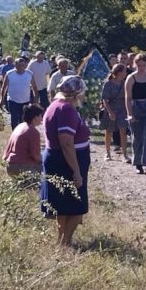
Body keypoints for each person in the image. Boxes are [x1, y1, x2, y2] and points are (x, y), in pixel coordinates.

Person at [40, 75, 91, 246]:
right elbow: (66, 142)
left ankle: (62, 239)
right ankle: (65, 243)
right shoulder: (66, 109)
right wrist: (76, 171)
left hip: (58, 159)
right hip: (65, 162)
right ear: (76, 93)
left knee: (63, 206)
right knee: (77, 208)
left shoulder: (55, 105)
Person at [125, 53, 146, 175]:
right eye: (139, 65)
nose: (141, 67)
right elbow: (128, 97)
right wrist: (130, 114)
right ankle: (138, 163)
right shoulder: (131, 78)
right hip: (136, 107)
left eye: (144, 65)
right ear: (135, 65)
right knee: (137, 137)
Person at [2, 104, 44, 176]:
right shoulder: (33, 131)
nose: (42, 119)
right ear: (35, 117)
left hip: (9, 165)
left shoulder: (20, 126)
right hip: (21, 166)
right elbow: (35, 156)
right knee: (49, 168)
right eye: (41, 116)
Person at [100, 64, 129, 161]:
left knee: (123, 131)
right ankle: (107, 153)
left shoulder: (125, 83)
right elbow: (105, 99)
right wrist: (110, 112)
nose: (126, 73)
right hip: (110, 109)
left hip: (122, 109)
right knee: (108, 131)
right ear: (119, 72)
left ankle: (125, 155)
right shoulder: (108, 84)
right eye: (124, 71)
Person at [0, 57, 37, 130]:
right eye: (19, 65)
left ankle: (21, 136)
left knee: (23, 120)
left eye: (23, 65)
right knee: (14, 119)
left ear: (25, 65)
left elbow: (34, 87)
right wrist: (1, 100)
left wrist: (35, 99)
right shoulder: (9, 74)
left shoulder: (29, 74)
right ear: (15, 65)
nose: (21, 67)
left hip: (25, 101)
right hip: (12, 100)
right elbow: (4, 88)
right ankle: (14, 134)